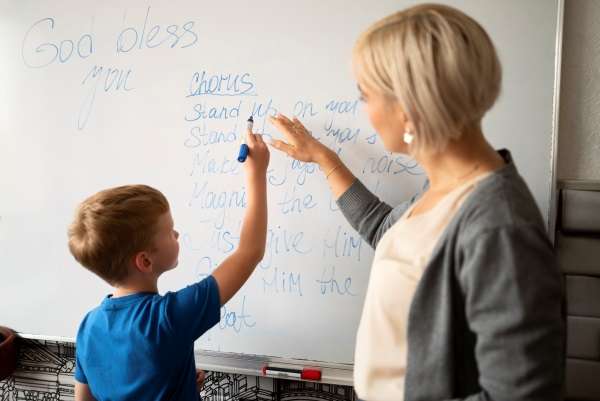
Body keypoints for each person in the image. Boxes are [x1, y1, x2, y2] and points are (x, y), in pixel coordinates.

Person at [268, 4, 563, 401]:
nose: (365, 111)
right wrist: (324, 158)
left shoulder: (500, 225)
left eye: (366, 95)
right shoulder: (445, 188)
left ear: (408, 105)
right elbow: (383, 228)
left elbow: (522, 395)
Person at [68, 131, 269, 401]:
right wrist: (256, 173)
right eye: (170, 230)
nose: (177, 234)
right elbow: (249, 252)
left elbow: (85, 398)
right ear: (145, 261)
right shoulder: (169, 318)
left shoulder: (88, 326)